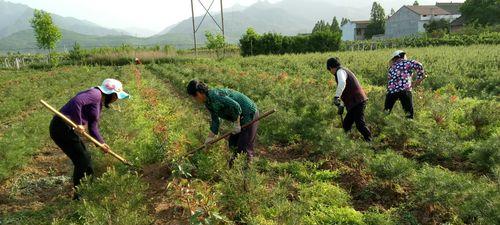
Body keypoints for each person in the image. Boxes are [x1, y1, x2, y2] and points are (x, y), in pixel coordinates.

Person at [49, 79, 130, 199]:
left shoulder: (98, 103)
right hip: (61, 126)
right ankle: (79, 196)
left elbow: (93, 127)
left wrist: (101, 144)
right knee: (82, 159)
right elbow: (77, 102)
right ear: (111, 94)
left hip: (66, 129)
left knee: (86, 159)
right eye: (117, 96)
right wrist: (78, 122)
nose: (116, 99)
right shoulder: (95, 94)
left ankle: (90, 190)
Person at [187, 80, 259, 167]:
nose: (194, 100)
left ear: (198, 94)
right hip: (240, 117)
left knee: (244, 147)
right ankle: (233, 170)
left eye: (193, 97)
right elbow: (215, 121)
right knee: (232, 143)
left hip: (249, 114)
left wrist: (237, 123)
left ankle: (245, 174)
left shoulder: (215, 96)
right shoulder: (208, 102)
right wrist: (209, 138)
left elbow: (235, 106)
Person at [327, 57, 372, 142]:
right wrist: (342, 105)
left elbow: (342, 83)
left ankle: (370, 141)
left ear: (330, 68)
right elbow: (347, 90)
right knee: (346, 124)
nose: (331, 73)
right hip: (355, 101)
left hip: (357, 101)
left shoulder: (340, 71)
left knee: (360, 124)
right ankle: (345, 144)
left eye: (329, 71)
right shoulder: (344, 70)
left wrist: (336, 97)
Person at [385, 50, 427, 119]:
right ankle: (409, 127)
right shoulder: (407, 63)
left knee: (386, 111)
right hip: (405, 91)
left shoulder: (391, 67)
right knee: (408, 113)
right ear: (402, 56)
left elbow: (389, 80)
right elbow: (419, 65)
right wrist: (420, 78)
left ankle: (382, 126)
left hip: (391, 92)